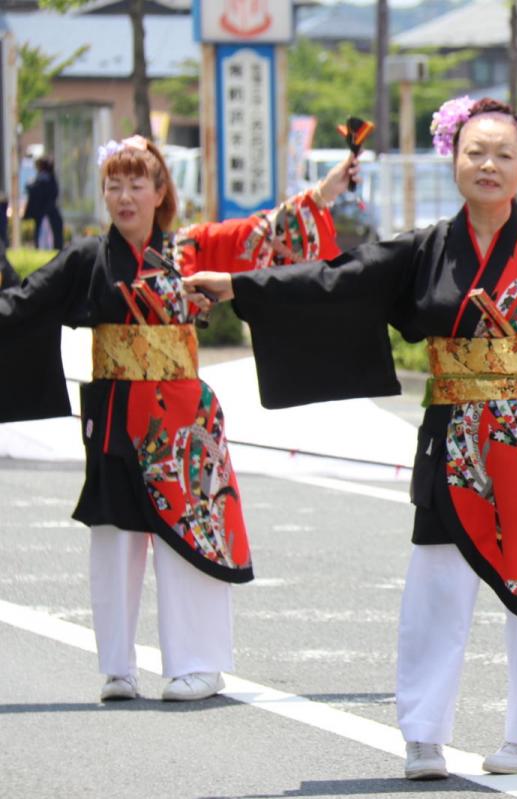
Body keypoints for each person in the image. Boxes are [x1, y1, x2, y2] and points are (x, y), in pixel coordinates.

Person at [184, 96, 517, 780]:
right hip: (452, 435)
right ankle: (422, 731)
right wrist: (240, 286)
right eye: (476, 151)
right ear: (453, 158)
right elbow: (338, 280)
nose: (489, 165)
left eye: (504, 153)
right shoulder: (425, 249)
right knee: (436, 583)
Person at [0, 134, 354, 703]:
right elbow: (23, 305)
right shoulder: (88, 259)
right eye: (113, 184)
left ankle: (199, 664)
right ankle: (117, 667)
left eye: (137, 183)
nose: (124, 196)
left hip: (183, 423)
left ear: (160, 191)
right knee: (114, 537)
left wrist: (325, 192)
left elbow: (263, 235)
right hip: (116, 413)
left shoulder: (192, 249)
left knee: (192, 536)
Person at [23, 155, 64, 250]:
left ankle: (44, 247)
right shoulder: (47, 179)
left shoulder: (42, 180)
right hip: (46, 211)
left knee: (44, 232)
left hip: (44, 212)